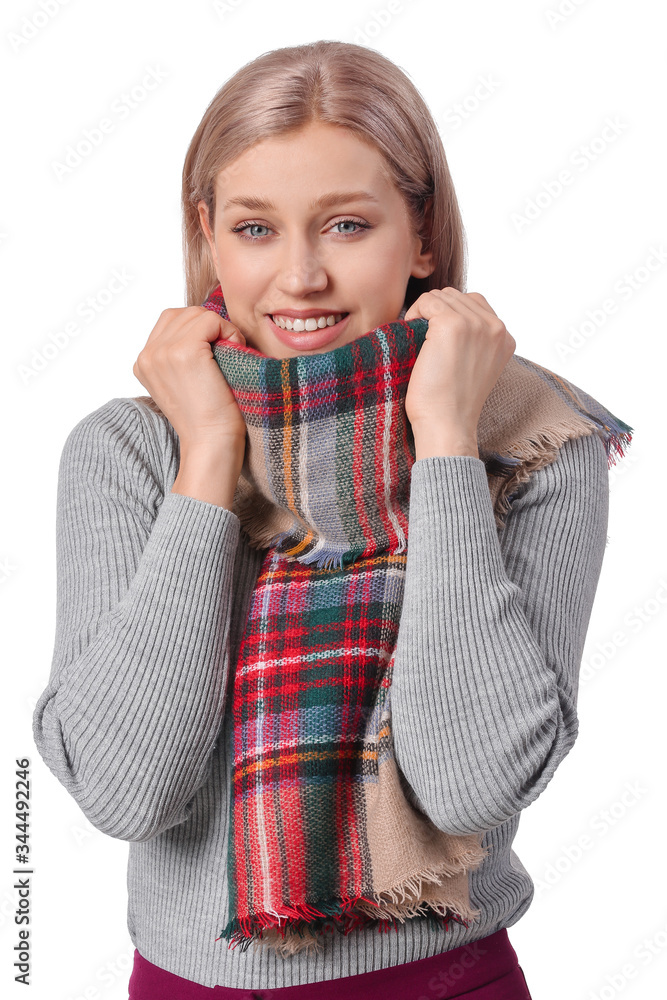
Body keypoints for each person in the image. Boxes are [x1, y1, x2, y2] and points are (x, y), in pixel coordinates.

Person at [32, 40, 632, 999]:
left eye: (346, 225)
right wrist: (208, 461)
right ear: (208, 236)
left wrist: (440, 443)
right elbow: (124, 788)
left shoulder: (531, 446)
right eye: (256, 229)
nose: (300, 276)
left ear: (422, 233)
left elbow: (471, 783)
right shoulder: (128, 453)